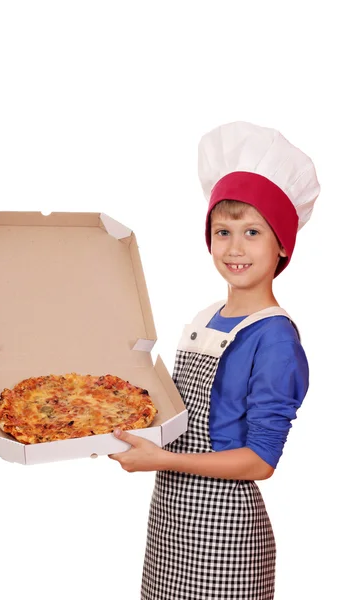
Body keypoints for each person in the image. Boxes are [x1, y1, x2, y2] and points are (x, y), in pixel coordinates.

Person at [108, 121, 320, 600]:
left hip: (227, 542)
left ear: (281, 245)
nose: (235, 248)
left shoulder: (275, 339)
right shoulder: (205, 319)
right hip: (169, 530)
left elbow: (262, 461)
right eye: (222, 231)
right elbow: (176, 418)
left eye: (252, 231)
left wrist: (161, 459)